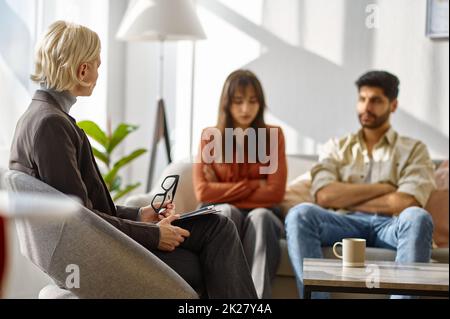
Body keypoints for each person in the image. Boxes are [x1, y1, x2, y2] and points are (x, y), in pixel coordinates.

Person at [9, 20, 257, 299]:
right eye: (97, 65)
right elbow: (82, 223)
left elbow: (85, 210)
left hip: (107, 245)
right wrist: (153, 235)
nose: (98, 72)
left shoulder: (40, 118)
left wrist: (141, 215)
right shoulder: (50, 125)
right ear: (82, 70)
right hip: (103, 256)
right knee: (215, 247)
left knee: (216, 224)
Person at [285, 70, 436, 299]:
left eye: (375, 100)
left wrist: (347, 194)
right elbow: (325, 196)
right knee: (300, 214)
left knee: (417, 216)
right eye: (362, 99)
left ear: (393, 105)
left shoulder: (414, 150)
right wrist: (385, 187)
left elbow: (406, 201)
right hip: (344, 222)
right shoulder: (336, 148)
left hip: (391, 227)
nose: (367, 107)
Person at [193, 70, 287, 298]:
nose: (246, 109)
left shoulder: (273, 136)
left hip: (263, 213)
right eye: (238, 102)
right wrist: (256, 183)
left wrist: (223, 189)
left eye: (253, 101)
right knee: (226, 212)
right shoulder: (210, 136)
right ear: (227, 103)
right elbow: (202, 191)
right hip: (223, 211)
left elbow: (275, 193)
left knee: (261, 216)